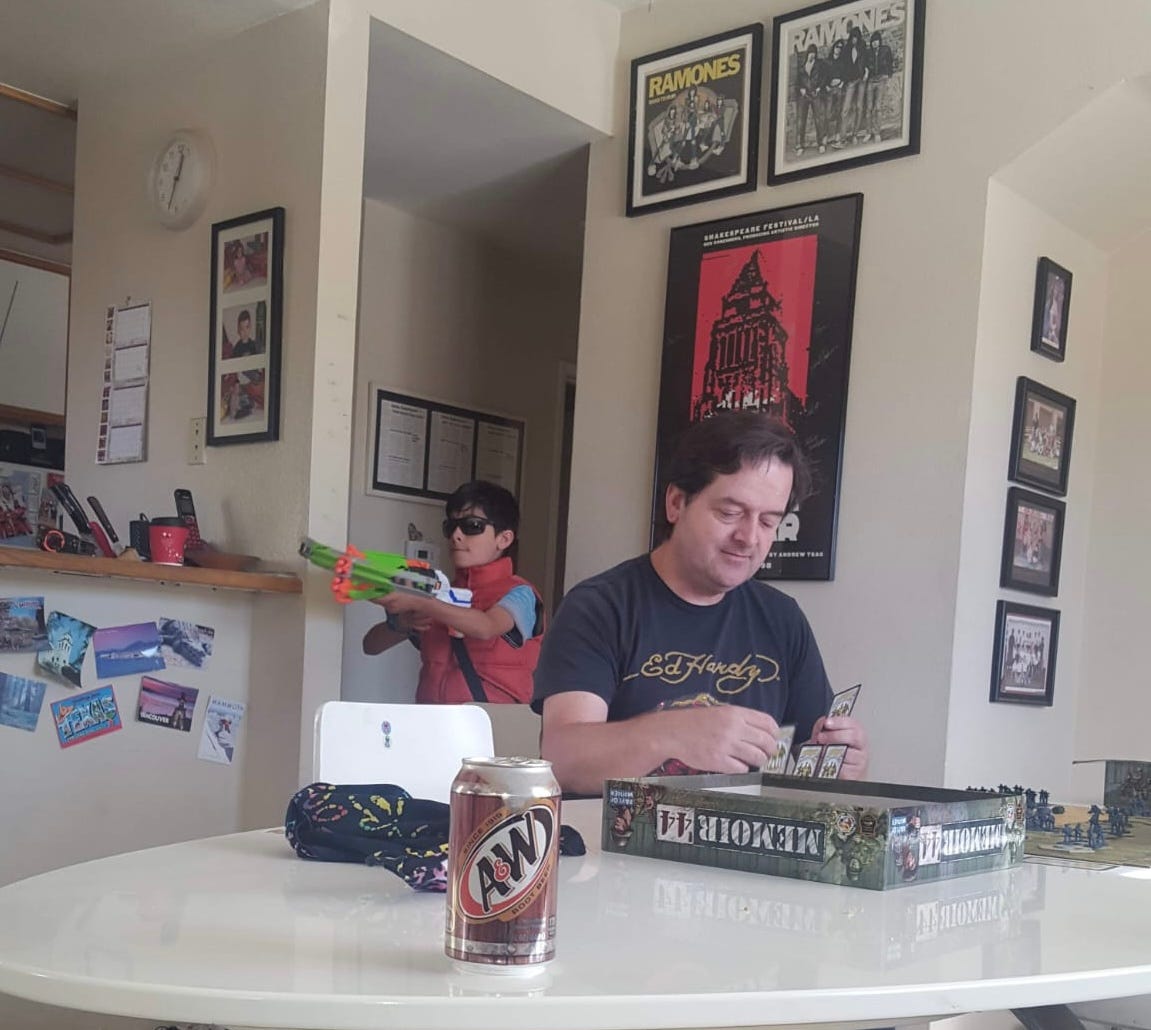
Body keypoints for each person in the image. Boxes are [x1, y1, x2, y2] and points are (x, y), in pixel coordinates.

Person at [532, 411, 868, 795]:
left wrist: (844, 763)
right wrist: (674, 734)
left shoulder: (782, 618)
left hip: (744, 830)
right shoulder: (599, 607)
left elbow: (814, 757)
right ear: (676, 503)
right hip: (616, 832)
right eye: (730, 513)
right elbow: (563, 761)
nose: (749, 537)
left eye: (768, 521)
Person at [363, 480, 544, 704]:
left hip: (491, 723)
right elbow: (370, 646)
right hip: (433, 719)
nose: (456, 535)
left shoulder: (523, 593)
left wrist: (422, 602)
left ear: (504, 538)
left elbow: (486, 627)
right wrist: (402, 623)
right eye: (451, 526)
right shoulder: (441, 592)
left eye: (473, 526)